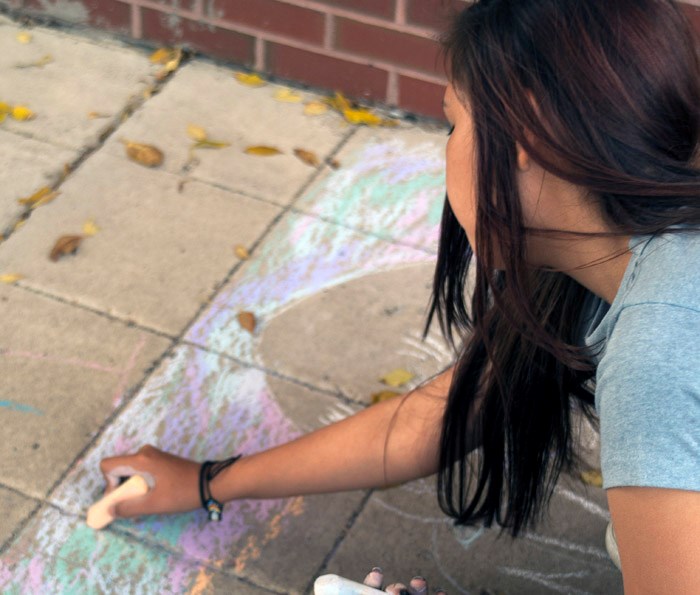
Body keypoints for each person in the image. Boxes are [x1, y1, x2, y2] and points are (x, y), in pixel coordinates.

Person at [99, 0, 700, 592]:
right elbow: (447, 414)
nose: (448, 149)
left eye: (454, 122)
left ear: (526, 129)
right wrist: (210, 482)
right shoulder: (629, 242)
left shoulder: (658, 351)